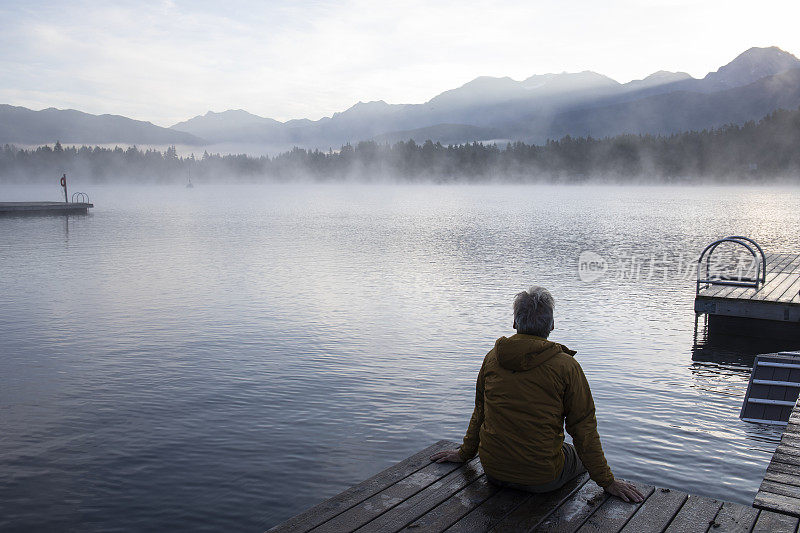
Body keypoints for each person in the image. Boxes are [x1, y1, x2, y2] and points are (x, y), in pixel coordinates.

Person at [430, 286, 643, 503]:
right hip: (542, 479)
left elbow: (480, 411)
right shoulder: (566, 366)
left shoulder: (492, 358)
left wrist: (465, 453)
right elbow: (583, 428)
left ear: (515, 323)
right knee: (578, 455)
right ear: (551, 325)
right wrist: (607, 482)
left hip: (493, 471)